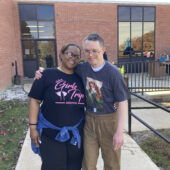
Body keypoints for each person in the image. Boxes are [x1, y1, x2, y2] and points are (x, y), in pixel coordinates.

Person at [35, 33, 130, 170]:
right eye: (87, 51)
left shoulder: (113, 73)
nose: (90, 55)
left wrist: (119, 132)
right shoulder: (82, 68)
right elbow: (63, 69)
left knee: (112, 164)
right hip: (90, 121)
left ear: (103, 51)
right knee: (87, 164)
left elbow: (122, 102)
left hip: (109, 121)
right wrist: (44, 72)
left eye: (95, 51)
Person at [28, 43, 86, 170]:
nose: (73, 58)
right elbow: (34, 101)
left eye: (77, 56)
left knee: (74, 167)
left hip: (75, 134)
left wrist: (115, 103)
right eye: (69, 53)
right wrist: (33, 128)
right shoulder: (46, 75)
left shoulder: (82, 78)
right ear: (61, 54)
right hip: (50, 134)